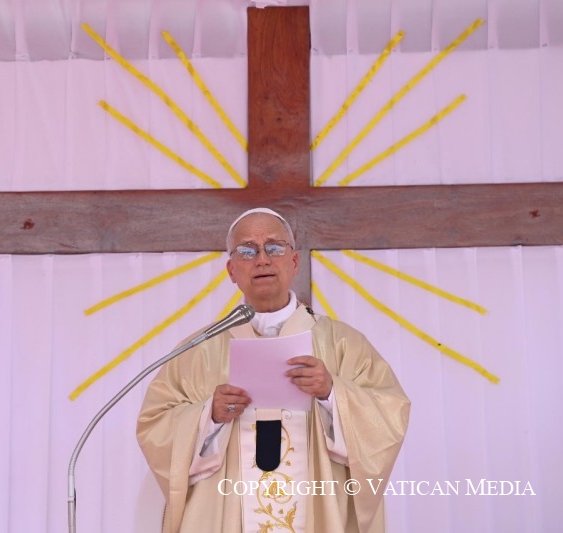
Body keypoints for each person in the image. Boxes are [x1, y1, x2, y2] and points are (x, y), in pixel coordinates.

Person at [137, 208, 410, 533]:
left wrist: (331, 392)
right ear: (231, 270)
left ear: (294, 262)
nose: (262, 259)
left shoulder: (343, 344)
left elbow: (389, 416)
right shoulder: (197, 351)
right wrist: (209, 416)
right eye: (247, 251)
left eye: (275, 247)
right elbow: (155, 425)